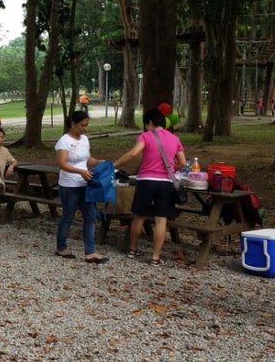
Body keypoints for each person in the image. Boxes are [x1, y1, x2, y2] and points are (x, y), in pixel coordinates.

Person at [113, 108, 187, 267]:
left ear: (150, 123)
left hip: (146, 180)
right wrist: (172, 167)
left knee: (139, 216)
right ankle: (155, 257)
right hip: (166, 183)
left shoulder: (145, 136)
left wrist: (114, 164)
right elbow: (183, 163)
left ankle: (132, 250)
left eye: (146, 124)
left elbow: (133, 154)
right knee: (161, 220)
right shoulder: (175, 139)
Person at [54, 110, 109, 263]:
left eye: (87, 125)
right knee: (68, 216)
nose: (85, 128)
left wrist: (98, 162)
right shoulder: (63, 141)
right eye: (82, 125)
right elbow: (62, 164)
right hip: (69, 184)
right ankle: (61, 247)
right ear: (73, 124)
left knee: (90, 216)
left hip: (85, 183)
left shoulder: (84, 139)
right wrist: (80, 171)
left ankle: (90, 252)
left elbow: (87, 159)